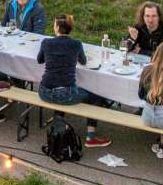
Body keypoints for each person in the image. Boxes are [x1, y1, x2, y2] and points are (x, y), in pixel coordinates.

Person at [36, 14, 112, 147]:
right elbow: (83, 61)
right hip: (66, 94)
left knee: (61, 87)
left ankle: (59, 123)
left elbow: (39, 60)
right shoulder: (76, 44)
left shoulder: (46, 42)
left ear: (58, 27)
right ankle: (90, 137)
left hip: (44, 92)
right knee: (96, 96)